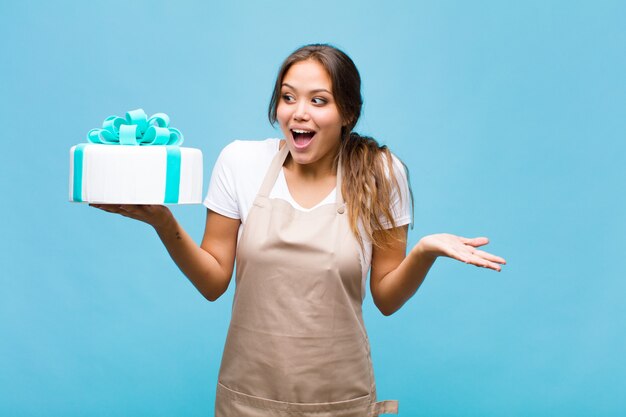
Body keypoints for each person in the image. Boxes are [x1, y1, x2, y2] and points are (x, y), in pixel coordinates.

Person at [92, 44, 506, 416]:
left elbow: (386, 297)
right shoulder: (240, 162)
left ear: (348, 113)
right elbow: (213, 280)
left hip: (341, 401)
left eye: (318, 100)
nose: (298, 112)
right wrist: (163, 222)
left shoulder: (381, 172)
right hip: (247, 399)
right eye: (288, 98)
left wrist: (424, 252)